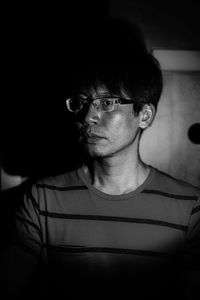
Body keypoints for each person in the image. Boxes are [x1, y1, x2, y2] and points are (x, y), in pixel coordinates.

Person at [2, 19, 200, 300]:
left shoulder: (190, 207)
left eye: (107, 103)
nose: (88, 117)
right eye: (82, 103)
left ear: (144, 115)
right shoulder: (43, 198)